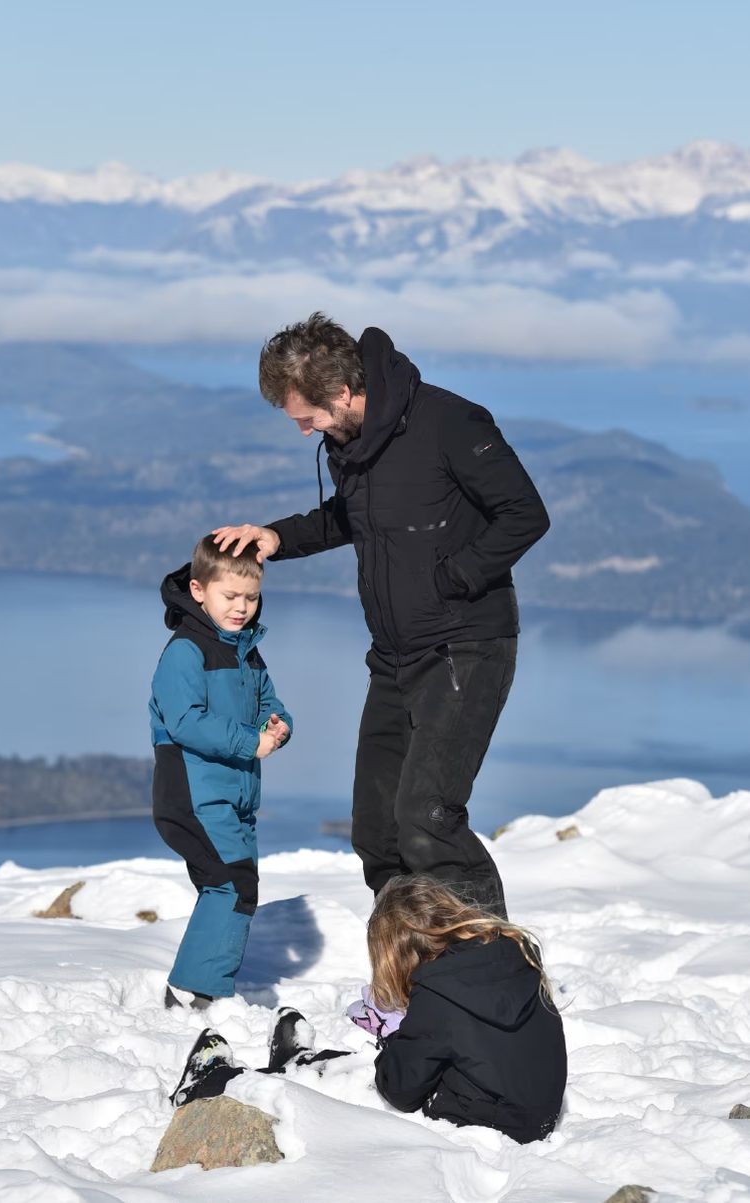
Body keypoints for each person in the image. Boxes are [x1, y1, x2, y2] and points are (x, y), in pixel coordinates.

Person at [213, 313, 550, 915]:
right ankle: (418, 975)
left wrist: (454, 579)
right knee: (379, 834)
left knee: (428, 819)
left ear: (342, 393)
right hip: (393, 657)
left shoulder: (450, 422)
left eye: (306, 416)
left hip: (464, 648)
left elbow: (525, 514)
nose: (303, 431)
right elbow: (354, 516)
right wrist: (275, 537)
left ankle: (495, 978)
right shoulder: (351, 441)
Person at [169, 875, 567, 1144]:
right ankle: (302, 1061)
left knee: (364, 1078)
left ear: (397, 953)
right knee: (396, 1055)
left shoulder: (440, 996)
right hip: (533, 1110)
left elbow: (399, 1090)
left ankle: (211, 1080)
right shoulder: (513, 956)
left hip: (490, 1122)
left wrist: (399, 1035)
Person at [149, 535, 292, 1009]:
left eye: (251, 597)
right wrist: (251, 741)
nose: (242, 607)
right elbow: (185, 720)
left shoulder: (246, 651)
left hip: (234, 795)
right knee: (231, 883)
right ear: (198, 590)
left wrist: (277, 724)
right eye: (230, 596)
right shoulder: (185, 653)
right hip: (194, 794)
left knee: (231, 883)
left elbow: (267, 700)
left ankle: (197, 986)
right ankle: (195, 991)